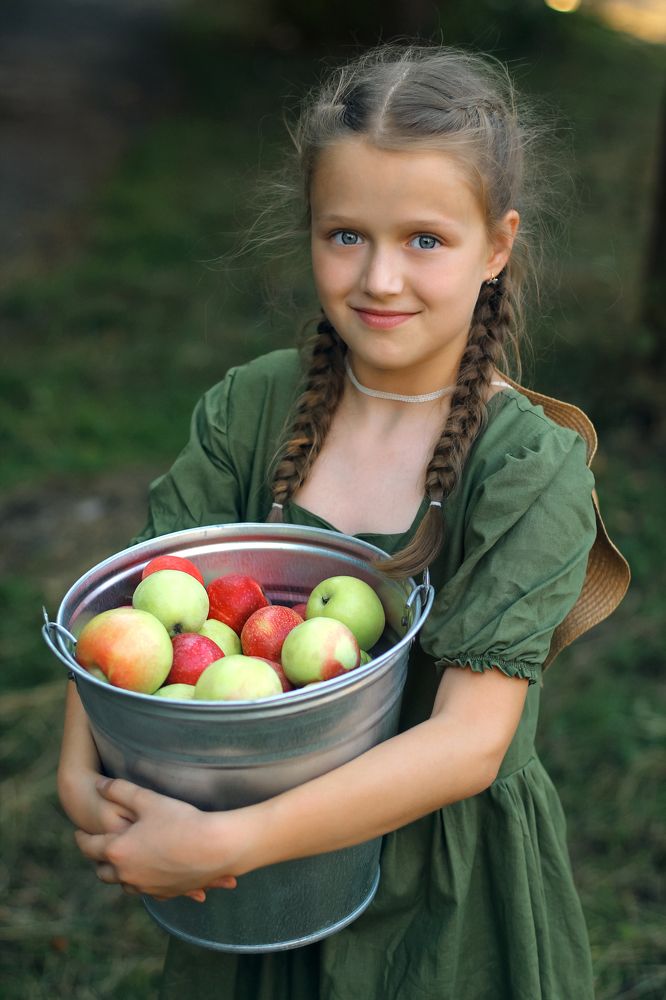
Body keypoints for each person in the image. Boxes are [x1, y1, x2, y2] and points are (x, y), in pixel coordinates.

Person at [57, 44, 629, 999]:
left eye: (426, 240)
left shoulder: (525, 468)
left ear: (497, 247)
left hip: (440, 897)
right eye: (347, 235)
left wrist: (229, 842)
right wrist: (82, 777)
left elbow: (469, 743)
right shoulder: (250, 411)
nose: (381, 278)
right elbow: (134, 610)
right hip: (244, 876)